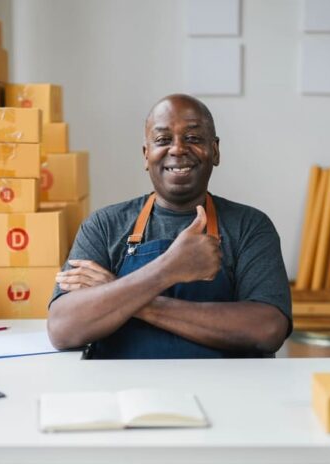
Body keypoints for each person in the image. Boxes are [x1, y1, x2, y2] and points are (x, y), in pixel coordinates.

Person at [47, 94, 291, 359]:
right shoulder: (104, 226)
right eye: (163, 140)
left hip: (224, 392)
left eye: (193, 138)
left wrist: (124, 296)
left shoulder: (250, 227)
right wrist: (168, 270)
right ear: (145, 155)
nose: (177, 149)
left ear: (215, 150)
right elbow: (63, 329)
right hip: (124, 391)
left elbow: (267, 330)